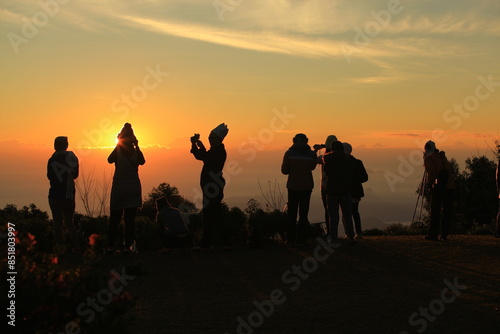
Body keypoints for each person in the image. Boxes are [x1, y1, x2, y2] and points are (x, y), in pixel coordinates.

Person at [107, 123, 145, 253]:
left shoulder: (118, 152)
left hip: (119, 187)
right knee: (130, 220)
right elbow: (142, 161)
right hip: (133, 187)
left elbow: (109, 159)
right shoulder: (136, 152)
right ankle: (127, 246)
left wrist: (118, 144)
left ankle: (110, 246)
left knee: (115, 219)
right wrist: (137, 146)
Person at [190, 123, 229, 250]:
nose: (209, 140)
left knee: (209, 215)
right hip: (212, 187)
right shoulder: (216, 151)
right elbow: (203, 156)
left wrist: (198, 146)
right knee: (215, 214)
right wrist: (196, 145)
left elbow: (205, 157)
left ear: (218, 139)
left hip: (212, 187)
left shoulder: (219, 152)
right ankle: (223, 241)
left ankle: (207, 243)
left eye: (211, 138)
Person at [281, 133, 317, 244]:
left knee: (292, 213)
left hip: (293, 186)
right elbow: (312, 167)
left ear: (294, 141)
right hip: (306, 187)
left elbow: (284, 171)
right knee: (303, 213)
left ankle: (290, 238)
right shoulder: (311, 155)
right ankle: (302, 239)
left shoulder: (288, 153)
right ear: (306, 141)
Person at [47, 136, 81, 253]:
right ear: (66, 145)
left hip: (55, 195)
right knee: (69, 223)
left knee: (57, 223)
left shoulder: (52, 160)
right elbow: (76, 175)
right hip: (69, 195)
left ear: (55, 145)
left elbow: (49, 176)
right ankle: (77, 248)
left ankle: (60, 250)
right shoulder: (73, 158)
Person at [323, 141, 356, 244]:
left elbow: (327, 172)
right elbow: (351, 173)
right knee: (347, 214)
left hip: (332, 190)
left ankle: (333, 236)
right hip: (345, 190)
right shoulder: (347, 159)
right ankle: (350, 235)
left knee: (332, 215)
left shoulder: (327, 159)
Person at [423, 140, 455, 241]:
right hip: (449, 186)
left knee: (435, 211)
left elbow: (432, 172)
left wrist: (429, 184)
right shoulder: (442, 156)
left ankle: (433, 234)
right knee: (447, 211)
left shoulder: (429, 158)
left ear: (427, 149)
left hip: (439, 187)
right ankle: (444, 234)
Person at [342, 142, 368, 239]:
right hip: (356, 191)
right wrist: (356, 181)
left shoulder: (343, 164)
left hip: (345, 190)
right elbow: (365, 178)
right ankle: (358, 232)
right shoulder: (358, 162)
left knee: (345, 212)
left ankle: (348, 233)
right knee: (355, 212)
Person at [314, 135, 338, 235]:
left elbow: (313, 160)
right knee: (337, 211)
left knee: (328, 210)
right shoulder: (342, 156)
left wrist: (318, 149)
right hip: (339, 186)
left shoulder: (323, 157)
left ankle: (330, 232)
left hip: (325, 187)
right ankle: (335, 232)